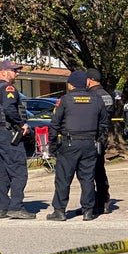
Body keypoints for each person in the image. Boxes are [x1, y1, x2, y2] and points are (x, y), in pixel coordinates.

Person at [46, 71, 109, 221]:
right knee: (87, 178)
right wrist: (99, 140)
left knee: (63, 178)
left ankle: (59, 211)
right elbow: (104, 123)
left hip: (69, 143)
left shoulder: (65, 100)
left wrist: (52, 146)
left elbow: (54, 125)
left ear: (71, 84)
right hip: (89, 144)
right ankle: (88, 210)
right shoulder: (97, 99)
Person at [0, 59, 36, 219]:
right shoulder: (8, 88)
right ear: (3, 72)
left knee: (3, 172)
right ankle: (16, 207)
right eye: (14, 70)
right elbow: (9, 109)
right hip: (8, 133)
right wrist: (22, 124)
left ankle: (3, 208)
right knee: (19, 171)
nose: (17, 73)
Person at [86, 68, 114, 214]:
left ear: (89, 80)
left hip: (91, 137)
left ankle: (93, 203)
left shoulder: (92, 95)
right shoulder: (107, 95)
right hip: (102, 137)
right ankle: (104, 201)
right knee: (100, 170)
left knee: (89, 172)